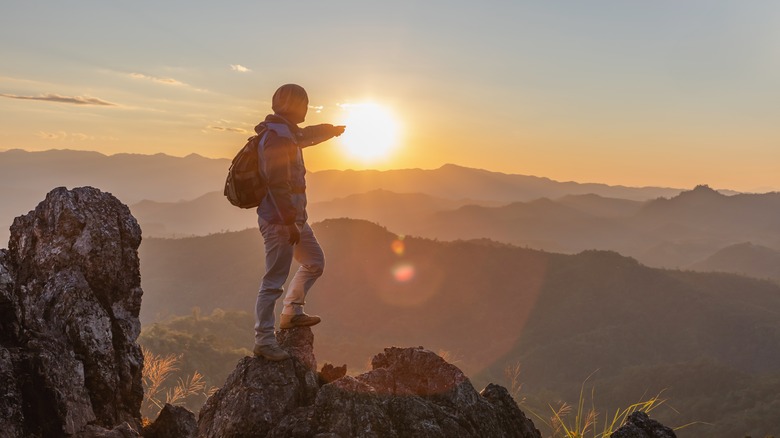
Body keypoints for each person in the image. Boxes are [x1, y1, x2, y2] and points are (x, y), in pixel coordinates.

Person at [253, 84, 345, 361]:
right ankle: (264, 340)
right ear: (293, 106)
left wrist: (331, 130)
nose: (307, 109)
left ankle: (292, 312)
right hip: (282, 221)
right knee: (273, 282)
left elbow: (306, 135)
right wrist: (290, 222)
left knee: (314, 261)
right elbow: (277, 183)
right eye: (304, 104)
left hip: (294, 219)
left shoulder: (287, 133)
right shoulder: (277, 138)